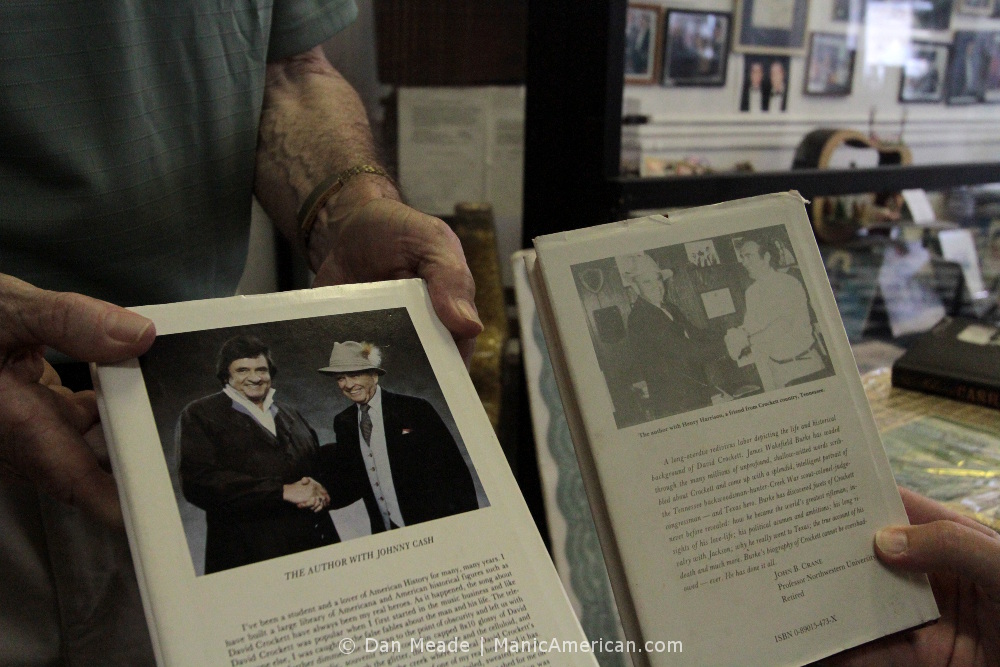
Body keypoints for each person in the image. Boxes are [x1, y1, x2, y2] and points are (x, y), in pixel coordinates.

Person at [0, 2, 481, 663]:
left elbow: (287, 71)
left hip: (231, 553)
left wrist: (351, 211)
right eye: (248, 373)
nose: (259, 379)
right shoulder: (204, 419)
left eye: (264, 372)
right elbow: (207, 483)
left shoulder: (307, 420)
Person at [177, 336, 337, 574]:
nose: (254, 377)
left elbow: (313, 464)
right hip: (250, 554)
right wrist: (282, 491)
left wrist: (318, 487)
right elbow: (199, 482)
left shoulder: (289, 412)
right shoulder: (200, 414)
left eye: (261, 370)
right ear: (226, 375)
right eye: (243, 370)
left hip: (314, 543)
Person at [318, 341, 479, 532]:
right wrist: (317, 492)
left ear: (374, 374)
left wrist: (470, 527)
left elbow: (455, 472)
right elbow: (352, 482)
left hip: (433, 526)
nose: (348, 385)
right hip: (386, 532)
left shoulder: (415, 409)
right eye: (340, 378)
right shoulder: (343, 422)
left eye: (354, 374)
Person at [620, 253, 727, 419]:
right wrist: (730, 344)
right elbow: (686, 351)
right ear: (635, 287)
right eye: (647, 282)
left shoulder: (669, 308)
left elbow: (696, 334)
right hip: (676, 406)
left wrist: (729, 333)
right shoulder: (642, 318)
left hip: (694, 394)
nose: (656, 286)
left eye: (657, 279)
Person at [726, 236, 824, 390]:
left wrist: (746, 341)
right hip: (776, 371)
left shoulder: (787, 283)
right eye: (742, 257)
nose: (743, 263)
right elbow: (751, 324)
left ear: (766, 257)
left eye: (748, 256)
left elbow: (782, 326)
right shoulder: (752, 292)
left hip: (803, 368)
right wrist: (736, 335)